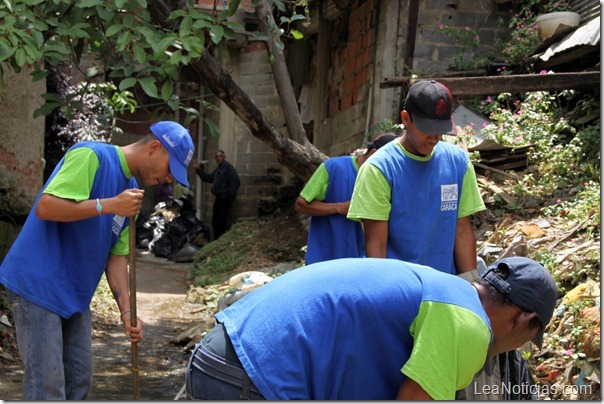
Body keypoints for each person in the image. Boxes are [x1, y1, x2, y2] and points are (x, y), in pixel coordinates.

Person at [0, 121, 194, 400]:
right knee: (48, 387)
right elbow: (46, 206)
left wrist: (127, 311)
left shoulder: (130, 196)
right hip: (37, 283)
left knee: (79, 380)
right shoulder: (91, 156)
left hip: (74, 292)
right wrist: (108, 205)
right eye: (169, 169)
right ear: (155, 148)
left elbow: (116, 256)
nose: (168, 179)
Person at [184, 256, 557, 400]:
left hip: (226, 353)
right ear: (523, 320)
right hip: (247, 377)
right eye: (527, 340)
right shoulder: (468, 323)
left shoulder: (444, 289)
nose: (517, 349)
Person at [348, 80, 485, 277]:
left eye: (440, 129)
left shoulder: (458, 162)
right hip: (400, 288)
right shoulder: (380, 168)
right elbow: (376, 245)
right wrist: (385, 297)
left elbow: (462, 230)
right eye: (427, 128)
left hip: (444, 286)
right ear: (405, 119)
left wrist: (470, 285)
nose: (434, 137)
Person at [294, 133, 397, 265]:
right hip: (325, 260)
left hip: (361, 262)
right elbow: (301, 205)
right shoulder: (333, 167)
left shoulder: (387, 181)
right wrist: (339, 207)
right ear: (373, 154)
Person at [195, 149, 240, 240]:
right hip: (219, 199)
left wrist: (230, 197)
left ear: (224, 157)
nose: (218, 158)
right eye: (216, 156)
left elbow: (236, 182)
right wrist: (199, 170)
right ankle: (217, 240)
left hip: (224, 199)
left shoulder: (228, 168)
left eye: (220, 156)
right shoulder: (219, 169)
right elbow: (209, 178)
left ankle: (220, 240)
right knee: (216, 222)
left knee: (220, 222)